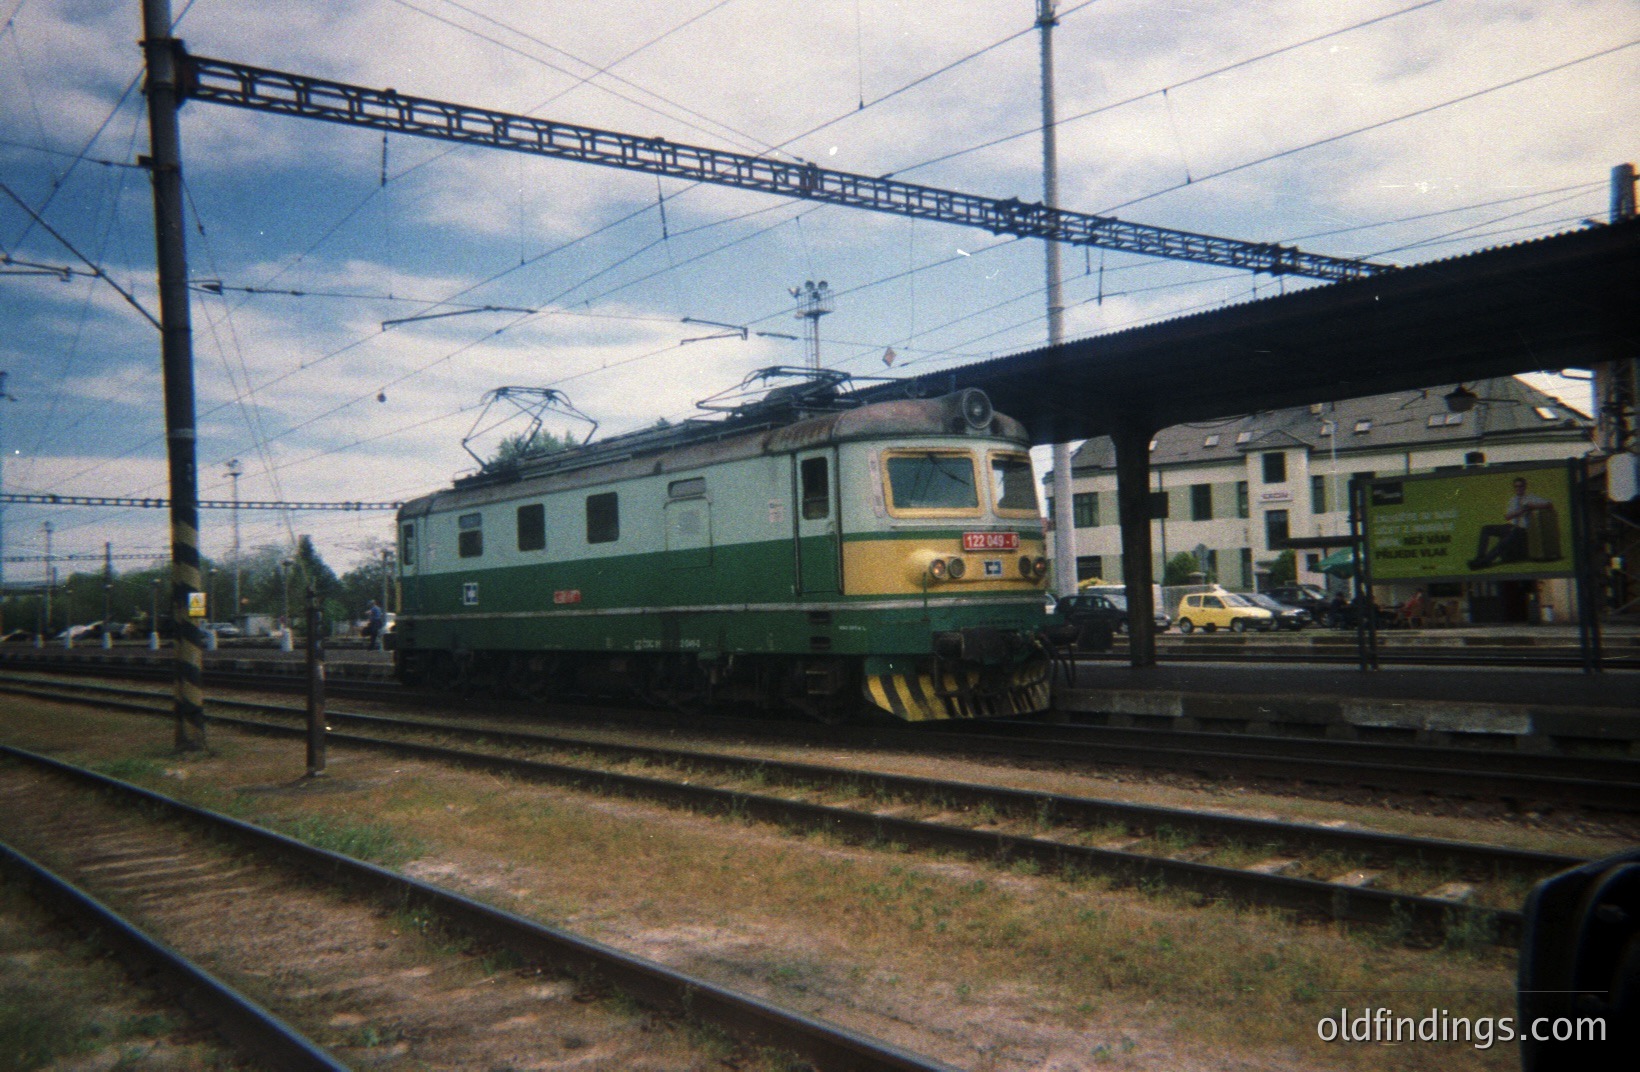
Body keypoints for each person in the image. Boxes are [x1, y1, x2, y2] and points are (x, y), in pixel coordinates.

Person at [1468, 476, 1552, 570]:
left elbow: (1548, 504)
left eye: (1520, 486)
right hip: (1510, 526)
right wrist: (1519, 511)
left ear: (1524, 487)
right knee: (1486, 529)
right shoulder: (1513, 500)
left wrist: (1532, 506)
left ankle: (1486, 561)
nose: (1518, 488)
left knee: (1513, 533)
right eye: (1516, 486)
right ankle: (1480, 557)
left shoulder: (1531, 498)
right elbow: (1507, 516)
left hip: (1522, 530)